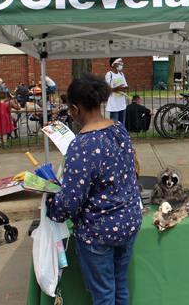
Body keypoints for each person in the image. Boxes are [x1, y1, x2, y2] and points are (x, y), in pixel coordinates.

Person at [46, 73, 142, 305]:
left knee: (104, 295)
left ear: (76, 108)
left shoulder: (82, 145)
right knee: (120, 286)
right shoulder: (119, 129)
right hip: (128, 223)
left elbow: (70, 202)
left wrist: (52, 205)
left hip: (99, 232)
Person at [105, 57, 128, 127]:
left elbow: (125, 86)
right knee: (114, 124)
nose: (122, 64)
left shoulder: (121, 74)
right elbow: (107, 88)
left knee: (122, 124)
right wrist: (117, 88)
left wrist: (123, 88)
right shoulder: (109, 74)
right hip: (114, 105)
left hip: (122, 104)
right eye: (120, 62)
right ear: (114, 64)